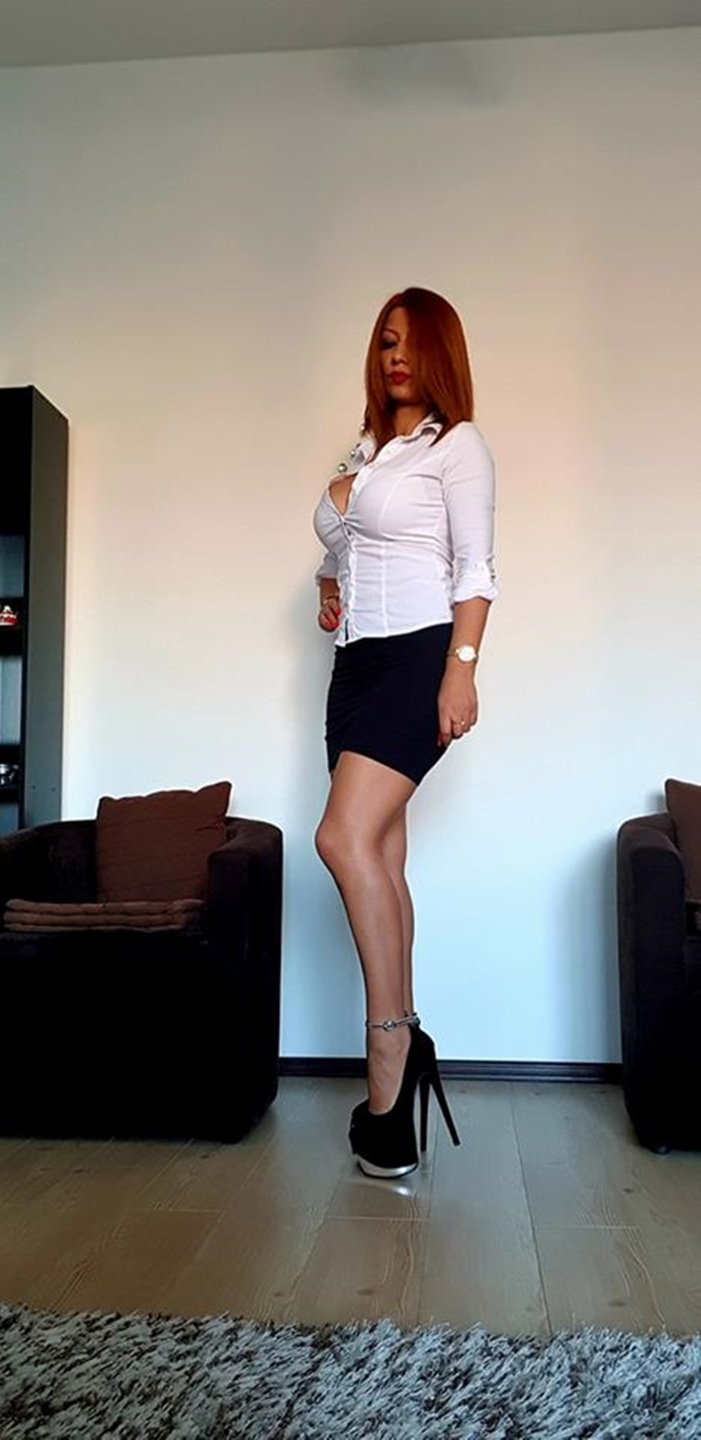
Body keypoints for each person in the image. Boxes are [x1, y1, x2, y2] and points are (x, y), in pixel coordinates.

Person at [311, 286, 498, 1179]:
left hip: (420, 657)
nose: (395, 356)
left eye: (412, 344)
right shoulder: (364, 453)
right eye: (385, 340)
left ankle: (388, 1047)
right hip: (354, 668)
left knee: (340, 840)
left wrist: (461, 668)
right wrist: (328, 582)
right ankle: (397, 1086)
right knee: (379, 856)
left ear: (439, 358)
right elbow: (344, 539)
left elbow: (474, 567)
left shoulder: (456, 446)